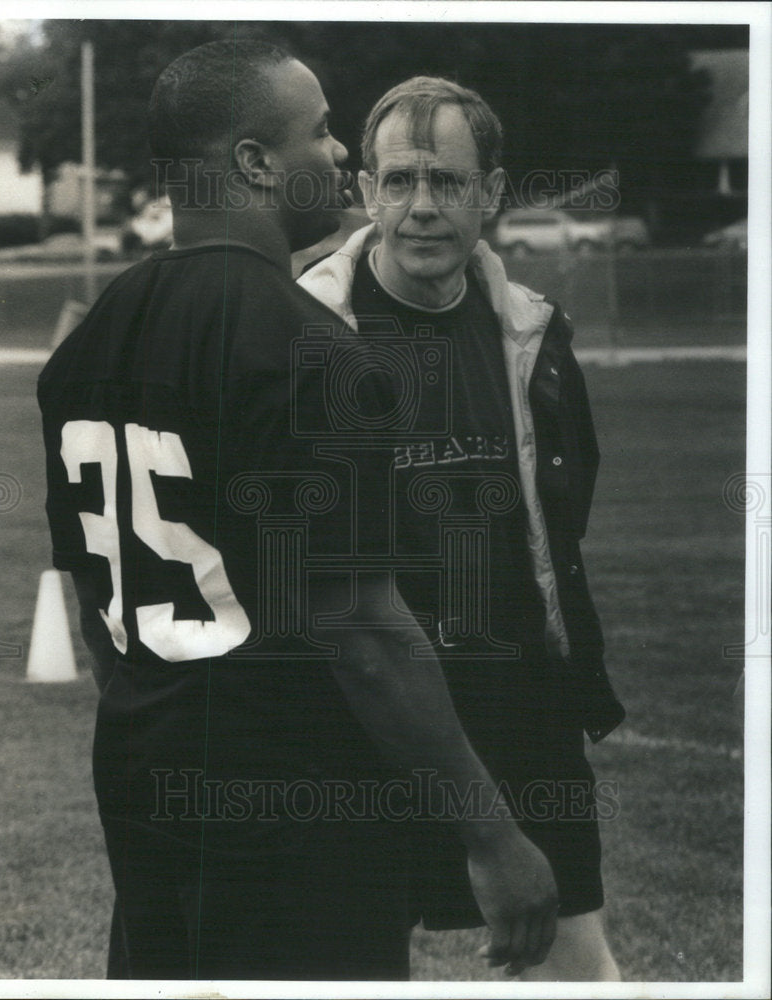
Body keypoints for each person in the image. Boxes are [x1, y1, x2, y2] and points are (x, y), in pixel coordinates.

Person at [38, 40, 559, 981]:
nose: (338, 156)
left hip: (142, 782)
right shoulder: (312, 346)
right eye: (318, 130)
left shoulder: (90, 343)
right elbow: (362, 629)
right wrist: (494, 838)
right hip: (290, 809)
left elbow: (95, 598)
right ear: (252, 163)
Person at [298, 76, 626, 981]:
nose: (421, 207)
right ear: (366, 191)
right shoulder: (306, 333)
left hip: (521, 705)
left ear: (492, 193)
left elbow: (563, 518)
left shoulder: (534, 333)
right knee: (346, 967)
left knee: (575, 963)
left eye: (447, 182)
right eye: (397, 180)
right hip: (361, 713)